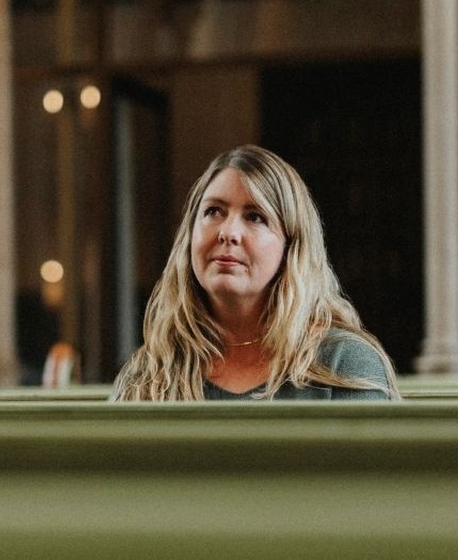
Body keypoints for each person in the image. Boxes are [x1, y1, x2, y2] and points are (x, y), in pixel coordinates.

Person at [110, 144, 399, 401]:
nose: (228, 232)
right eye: (213, 211)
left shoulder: (344, 363)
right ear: (189, 237)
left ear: (291, 246)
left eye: (255, 217)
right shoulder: (148, 375)